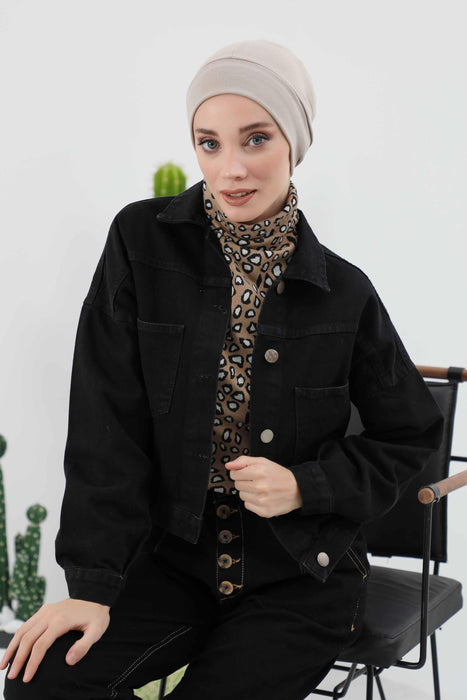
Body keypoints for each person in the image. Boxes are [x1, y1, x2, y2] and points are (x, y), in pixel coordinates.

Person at [1, 39, 443, 700]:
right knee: (41, 684)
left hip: (301, 572)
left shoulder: (344, 293)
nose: (230, 168)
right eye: (208, 143)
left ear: (294, 143)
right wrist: (92, 586)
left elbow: (409, 435)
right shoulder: (141, 244)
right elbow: (105, 421)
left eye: (255, 139)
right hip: (173, 561)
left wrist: (306, 486)